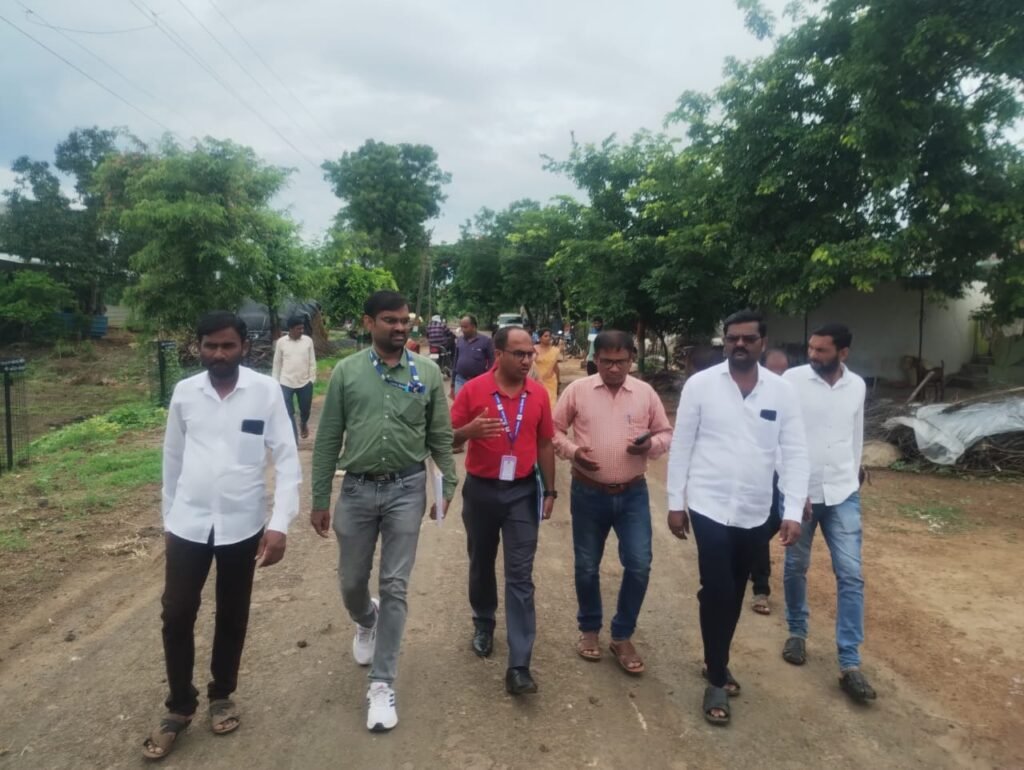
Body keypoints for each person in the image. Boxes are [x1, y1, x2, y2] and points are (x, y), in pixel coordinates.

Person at [143, 311, 300, 761]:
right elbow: (172, 460)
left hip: (242, 525)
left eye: (227, 345)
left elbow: (287, 459)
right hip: (188, 523)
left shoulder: (265, 392)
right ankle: (179, 705)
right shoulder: (185, 393)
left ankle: (221, 695)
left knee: (232, 613)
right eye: (210, 346)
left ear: (244, 347)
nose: (218, 354)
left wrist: (279, 523)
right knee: (176, 613)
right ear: (199, 347)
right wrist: (169, 521)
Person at [310, 290, 457, 733]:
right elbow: (328, 438)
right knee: (352, 581)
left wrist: (448, 484)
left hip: (406, 490)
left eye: (404, 320)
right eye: (390, 320)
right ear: (369, 322)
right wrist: (320, 497)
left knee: (395, 584)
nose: (399, 327)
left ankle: (381, 683)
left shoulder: (426, 373)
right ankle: (365, 620)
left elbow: (440, 435)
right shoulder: (346, 372)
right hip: (356, 490)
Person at [666, 309, 809, 727]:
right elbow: (682, 445)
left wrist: (792, 510)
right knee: (719, 589)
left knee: (730, 592)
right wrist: (676, 502)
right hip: (708, 504)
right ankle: (716, 678)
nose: (740, 345)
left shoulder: (782, 392)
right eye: (733, 338)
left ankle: (716, 656)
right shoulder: (700, 385)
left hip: (754, 510)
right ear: (724, 342)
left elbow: (795, 452)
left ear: (762, 343)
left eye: (748, 338)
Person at [553, 330, 672, 675]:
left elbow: (665, 433)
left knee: (639, 564)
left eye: (621, 361)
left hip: (633, 494)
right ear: (596, 360)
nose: (615, 368)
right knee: (586, 566)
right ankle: (589, 629)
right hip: (588, 492)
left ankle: (622, 635)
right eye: (607, 361)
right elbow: (554, 430)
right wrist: (574, 451)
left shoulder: (645, 393)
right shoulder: (578, 391)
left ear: (631, 359)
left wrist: (649, 446)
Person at [450, 326, 556, 696]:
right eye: (519, 354)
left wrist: (550, 490)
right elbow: (445, 438)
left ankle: (519, 664)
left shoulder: (538, 394)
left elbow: (545, 443)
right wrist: (469, 431)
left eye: (530, 354)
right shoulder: (473, 390)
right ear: (498, 354)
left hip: (522, 492)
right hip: (481, 490)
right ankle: (483, 621)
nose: (527, 360)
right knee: (481, 561)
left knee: (520, 574)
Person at [781, 323, 876, 703]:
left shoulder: (857, 386)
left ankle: (850, 662)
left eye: (821, 350)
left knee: (851, 574)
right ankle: (797, 632)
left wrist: (853, 473)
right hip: (801, 493)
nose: (813, 355)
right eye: (811, 348)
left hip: (842, 493)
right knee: (796, 565)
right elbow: (780, 437)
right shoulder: (792, 381)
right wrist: (792, 490)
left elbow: (856, 434)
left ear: (843, 353)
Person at [749, 348, 790, 615]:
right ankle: (761, 589)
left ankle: (749, 556)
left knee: (772, 524)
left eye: (783, 370)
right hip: (760, 471)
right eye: (773, 370)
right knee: (762, 527)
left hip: (786, 472)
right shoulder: (751, 395)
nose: (778, 375)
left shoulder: (791, 396)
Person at [272, 314, 317, 440]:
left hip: (304, 382)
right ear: (291, 329)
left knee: (305, 410)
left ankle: (303, 423)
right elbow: (277, 364)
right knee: (288, 412)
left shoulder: (308, 341)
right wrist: (276, 382)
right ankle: (293, 439)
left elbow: (312, 361)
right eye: (298, 329)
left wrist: (311, 380)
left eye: (302, 328)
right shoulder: (281, 342)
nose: (301, 331)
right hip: (285, 382)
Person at [451, 314, 495, 397]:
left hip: (478, 381)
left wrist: (488, 378)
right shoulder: (459, 340)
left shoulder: (486, 341)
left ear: (474, 327)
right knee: (460, 403)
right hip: (460, 380)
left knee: (477, 403)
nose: (463, 330)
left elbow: (492, 361)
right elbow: (455, 361)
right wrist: (452, 383)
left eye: (465, 327)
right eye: (461, 327)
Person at [532, 328, 561, 409]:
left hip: (551, 382)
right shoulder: (534, 349)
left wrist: (558, 382)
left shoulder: (555, 350)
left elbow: (556, 367)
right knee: (537, 404)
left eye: (549, 336)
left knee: (551, 405)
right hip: (536, 381)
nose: (548, 338)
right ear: (540, 338)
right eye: (546, 336)